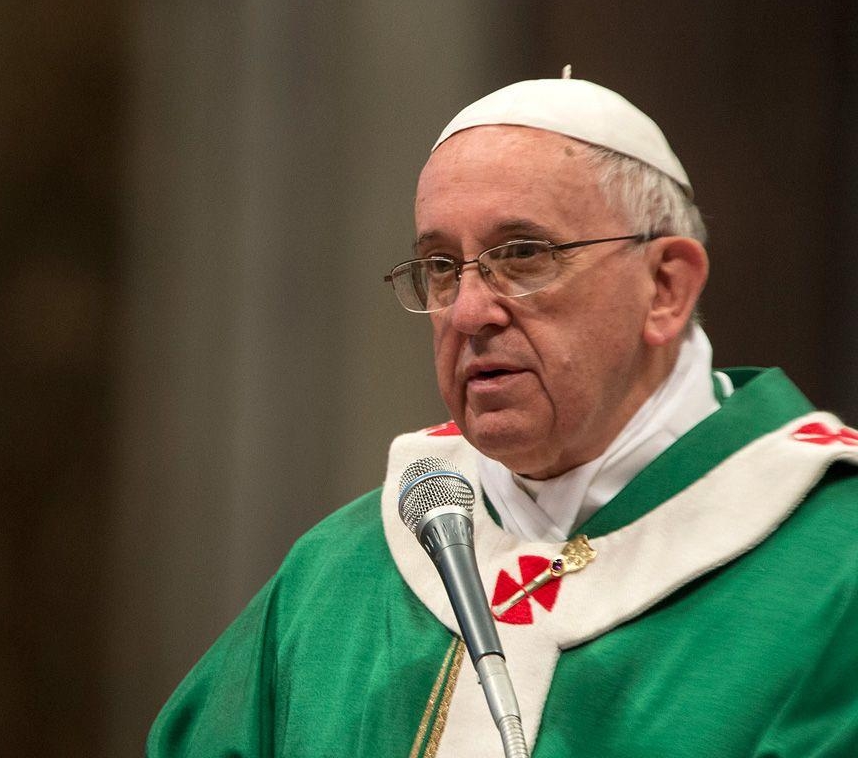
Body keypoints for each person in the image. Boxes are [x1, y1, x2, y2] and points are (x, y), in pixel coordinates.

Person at [147, 76, 858, 757]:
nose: (467, 312)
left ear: (666, 288)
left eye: (522, 255)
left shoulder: (833, 571)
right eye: (440, 265)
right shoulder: (340, 577)